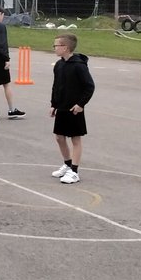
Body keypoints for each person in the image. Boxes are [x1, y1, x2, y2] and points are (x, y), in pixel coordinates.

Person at [49, 33, 94, 184]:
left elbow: (89, 87)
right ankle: (67, 164)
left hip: (74, 108)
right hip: (61, 106)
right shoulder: (59, 65)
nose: (54, 48)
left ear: (65, 48)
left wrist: (81, 104)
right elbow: (56, 86)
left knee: (75, 139)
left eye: (56, 46)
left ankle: (74, 171)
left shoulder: (79, 66)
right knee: (59, 137)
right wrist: (53, 104)